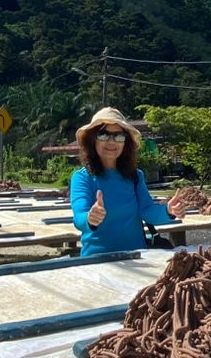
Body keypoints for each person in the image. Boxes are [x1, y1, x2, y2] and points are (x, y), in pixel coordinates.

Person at [70, 107, 184, 256]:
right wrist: (90, 218)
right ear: (92, 140)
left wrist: (168, 211)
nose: (111, 142)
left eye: (119, 136)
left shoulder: (135, 176)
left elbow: (147, 210)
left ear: (126, 143)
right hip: (97, 261)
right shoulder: (82, 178)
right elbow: (79, 217)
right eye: (103, 135)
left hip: (136, 258)